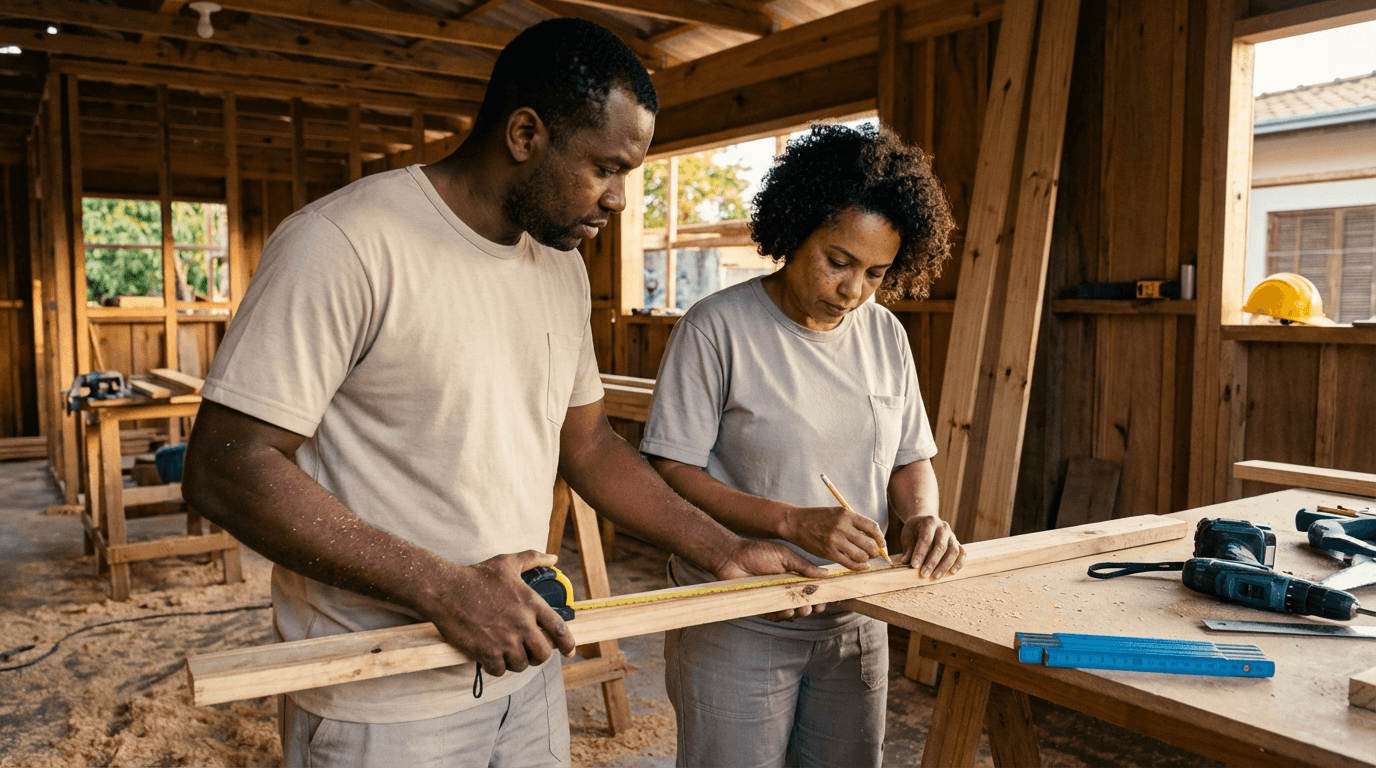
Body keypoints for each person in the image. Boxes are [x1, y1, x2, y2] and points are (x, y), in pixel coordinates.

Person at [181, 19, 825, 768]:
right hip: (383, 690)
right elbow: (227, 464)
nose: (619, 199)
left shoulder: (559, 266)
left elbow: (587, 445)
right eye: (606, 168)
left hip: (526, 672)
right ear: (524, 134)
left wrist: (724, 549)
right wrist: (442, 589)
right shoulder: (346, 244)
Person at [640, 122, 967, 768]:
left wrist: (923, 514)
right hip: (739, 616)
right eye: (838, 261)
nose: (853, 291)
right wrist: (790, 522)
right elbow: (670, 469)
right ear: (793, 231)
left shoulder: (885, 336)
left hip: (854, 615)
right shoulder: (717, 328)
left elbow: (910, 459)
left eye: (875, 272)